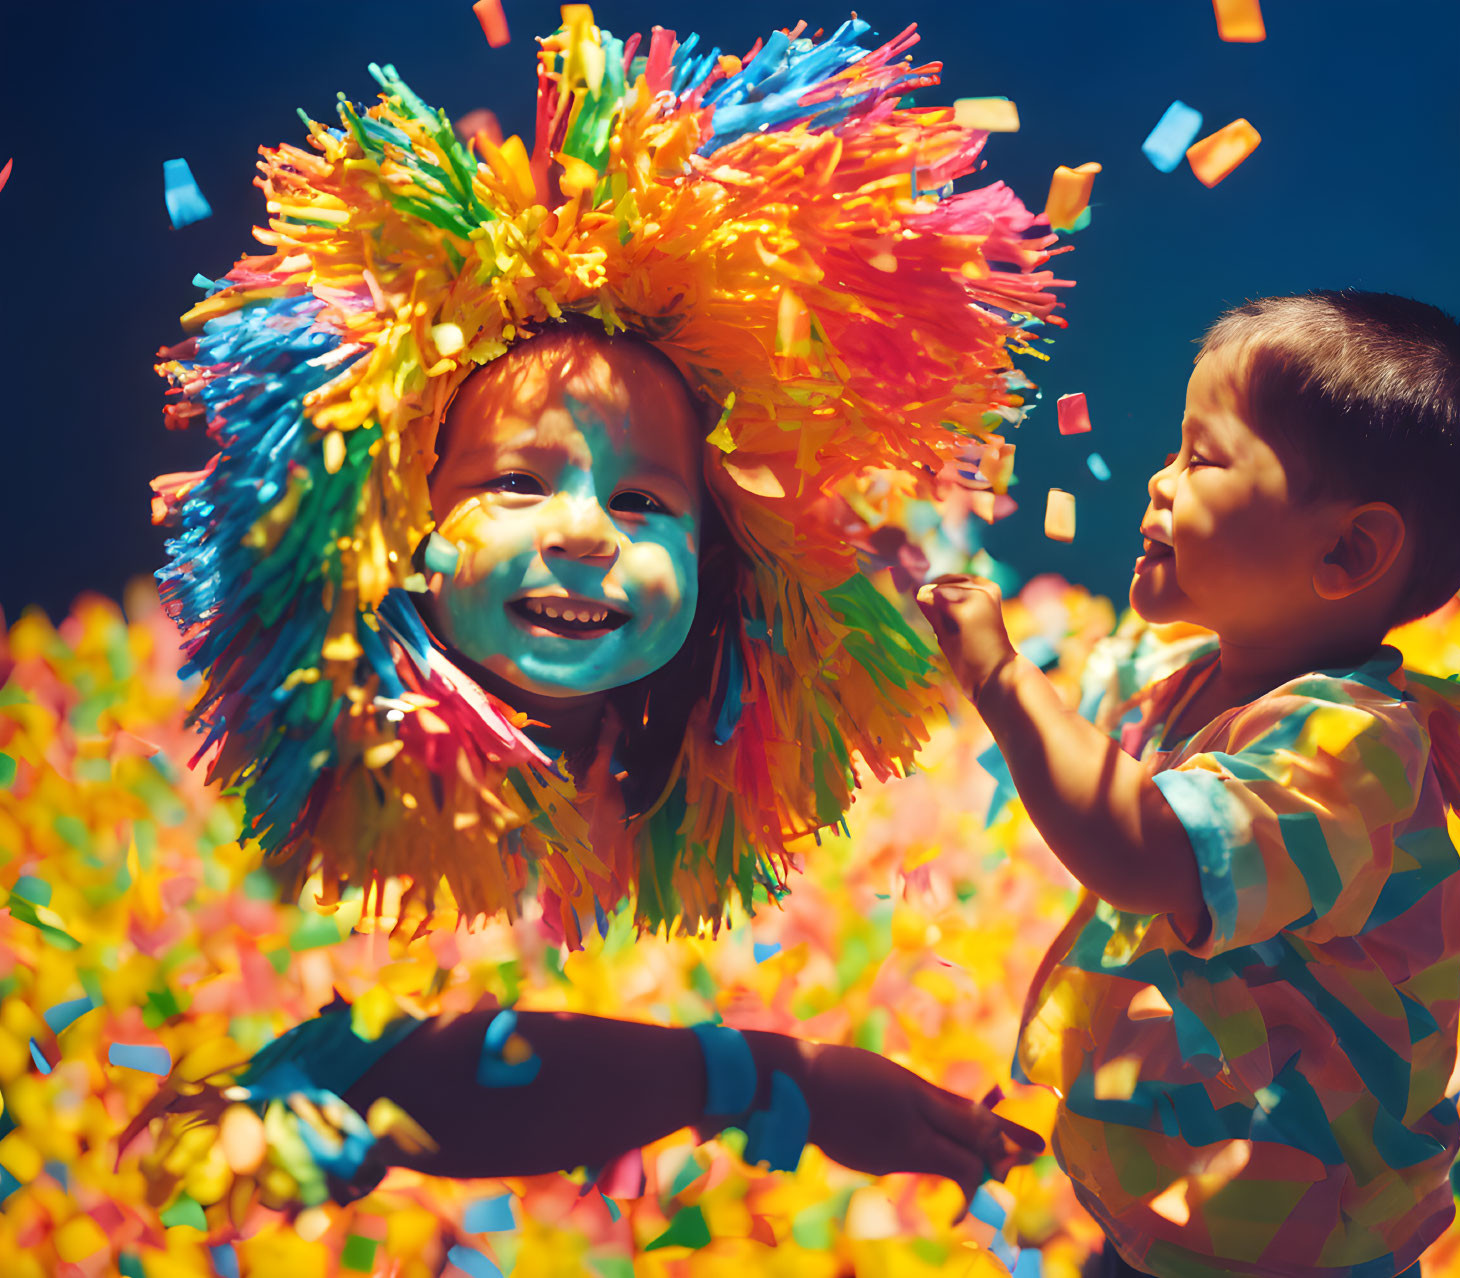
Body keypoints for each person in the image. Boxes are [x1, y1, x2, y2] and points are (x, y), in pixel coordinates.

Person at [130, 10, 1059, 1220]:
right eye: (515, 482)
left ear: (721, 561)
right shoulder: (303, 765)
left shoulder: (700, 768)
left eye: (639, 500)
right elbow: (363, 1076)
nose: (580, 530)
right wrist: (781, 1083)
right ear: (396, 523)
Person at [917, 290, 1460, 1278]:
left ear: (1345, 551)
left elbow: (1145, 852)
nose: (1156, 482)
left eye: (1199, 459)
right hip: (1180, 1225)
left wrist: (1000, 678)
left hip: (1302, 1252)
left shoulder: (1348, 752)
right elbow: (1084, 712)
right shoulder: (1181, 673)